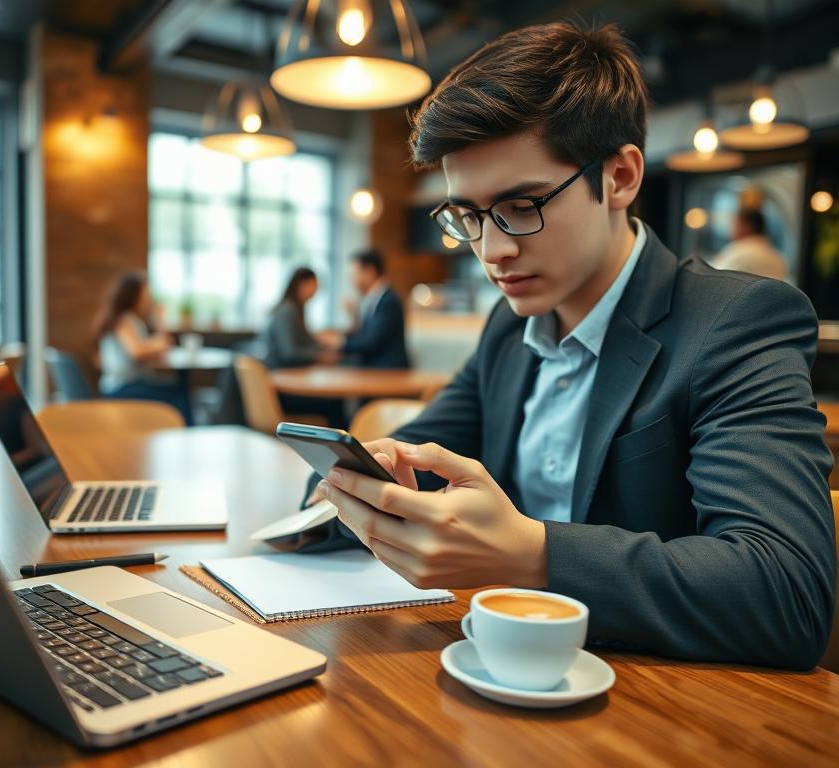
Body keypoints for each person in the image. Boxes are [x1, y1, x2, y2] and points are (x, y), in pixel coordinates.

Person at [309, 22, 835, 669]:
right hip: (497, 672)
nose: (492, 250)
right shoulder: (510, 328)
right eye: (467, 217)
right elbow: (410, 457)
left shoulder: (736, 321)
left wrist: (531, 553)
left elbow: (788, 594)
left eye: (521, 205)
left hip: (668, 705)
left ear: (619, 176)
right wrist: (353, 489)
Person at [93, 272, 193, 425]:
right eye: (146, 293)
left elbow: (161, 348)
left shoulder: (131, 321)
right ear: (133, 296)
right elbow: (137, 352)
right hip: (122, 388)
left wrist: (159, 326)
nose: (149, 299)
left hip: (127, 385)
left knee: (177, 388)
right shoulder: (124, 320)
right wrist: (160, 324)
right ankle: (186, 433)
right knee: (179, 393)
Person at [261, 266, 346, 427]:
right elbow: (290, 354)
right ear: (302, 284)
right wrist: (321, 357)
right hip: (282, 393)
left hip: (281, 386)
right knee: (336, 403)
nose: (316, 292)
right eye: (314, 285)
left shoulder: (293, 309)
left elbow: (304, 342)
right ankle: (343, 450)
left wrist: (320, 345)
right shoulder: (288, 311)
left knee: (335, 400)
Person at [339, 249, 410, 369]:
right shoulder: (373, 299)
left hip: (388, 372)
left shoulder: (389, 301)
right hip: (375, 368)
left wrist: (339, 343)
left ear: (370, 271)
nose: (351, 279)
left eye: (354, 274)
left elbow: (371, 343)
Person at [709, 207, 788, 280]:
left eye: (734, 223)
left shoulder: (739, 251)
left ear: (744, 226)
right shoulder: (777, 257)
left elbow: (714, 280)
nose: (730, 228)